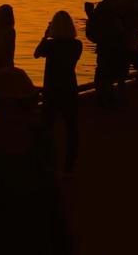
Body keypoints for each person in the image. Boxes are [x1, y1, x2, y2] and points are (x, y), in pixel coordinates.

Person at [0, 66, 70, 255]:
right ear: (0, 107)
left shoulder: (41, 139)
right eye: (25, 104)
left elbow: (55, 196)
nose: (33, 109)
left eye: (32, 102)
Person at [33, 10, 82, 174]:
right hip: (69, 89)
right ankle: (69, 166)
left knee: (46, 129)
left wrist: (45, 36)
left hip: (51, 90)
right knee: (71, 129)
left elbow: (36, 54)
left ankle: (45, 163)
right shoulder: (77, 45)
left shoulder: (50, 45)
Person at [84, 0, 127, 108]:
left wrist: (90, 15)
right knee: (112, 73)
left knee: (104, 73)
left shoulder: (105, 8)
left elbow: (97, 28)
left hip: (108, 46)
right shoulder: (116, 8)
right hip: (114, 46)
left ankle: (105, 98)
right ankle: (110, 98)